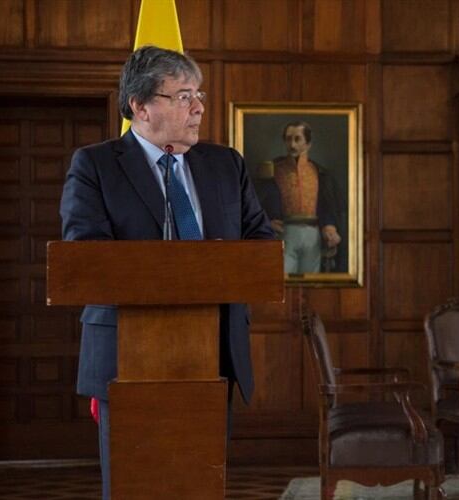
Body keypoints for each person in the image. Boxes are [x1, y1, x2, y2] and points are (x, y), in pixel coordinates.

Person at [59, 45, 275, 499]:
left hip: (213, 351)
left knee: (200, 482)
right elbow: (86, 254)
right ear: (140, 106)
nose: (197, 107)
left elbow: (261, 243)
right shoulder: (96, 165)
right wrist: (168, 269)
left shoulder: (224, 163)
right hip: (128, 354)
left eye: (198, 94)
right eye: (181, 96)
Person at [270, 121, 341, 273]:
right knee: (282, 280)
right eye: (288, 139)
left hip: (312, 233)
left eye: (297, 139)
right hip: (284, 232)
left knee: (311, 281)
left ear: (308, 144)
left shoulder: (320, 172)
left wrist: (329, 227)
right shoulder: (273, 170)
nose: (292, 144)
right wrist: (268, 221)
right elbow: (260, 201)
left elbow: (326, 204)